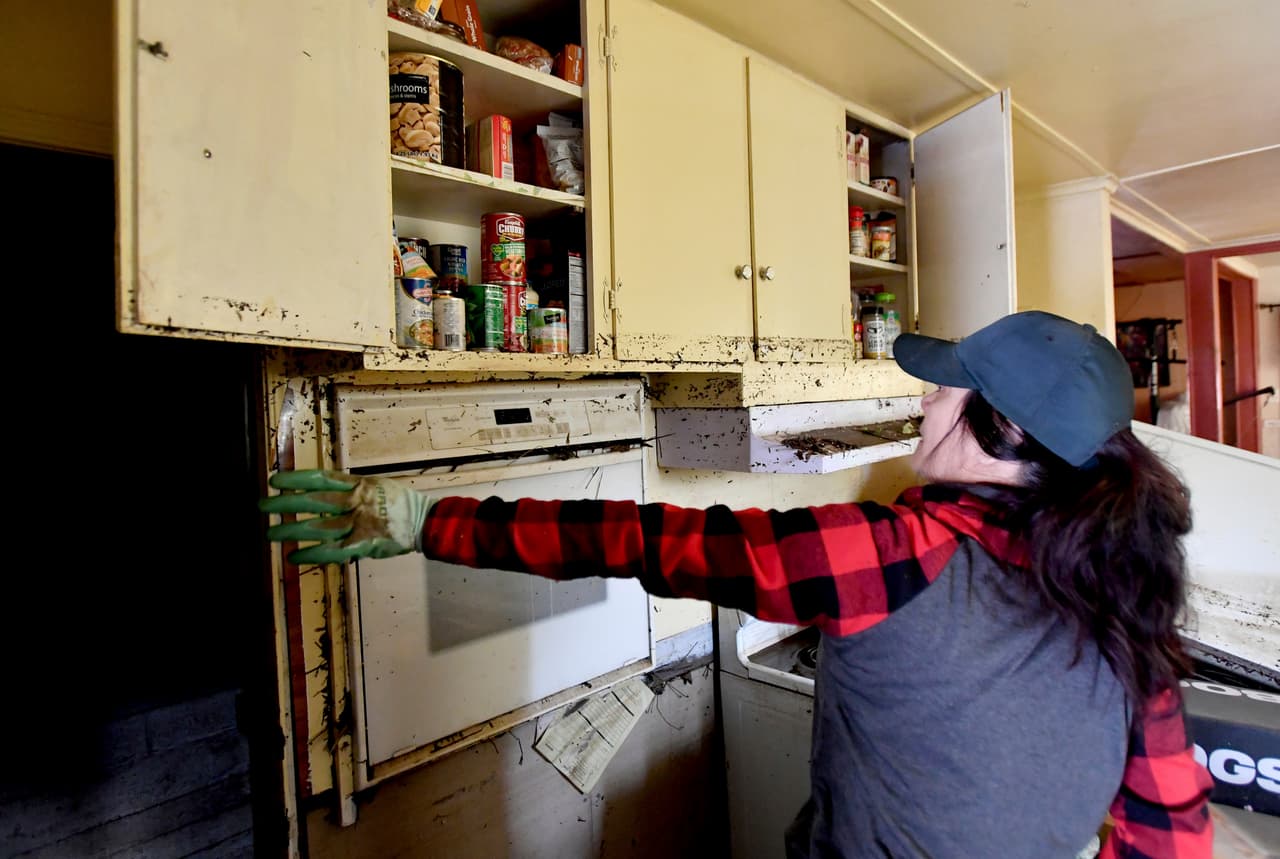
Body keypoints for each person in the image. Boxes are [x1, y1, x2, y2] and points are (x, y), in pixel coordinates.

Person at [261, 311, 1214, 858]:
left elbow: (649, 539)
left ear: (1002, 429)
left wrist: (420, 518)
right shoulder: (1128, 599)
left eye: (946, 388)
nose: (926, 398)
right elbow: (1171, 831)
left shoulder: (904, 552)